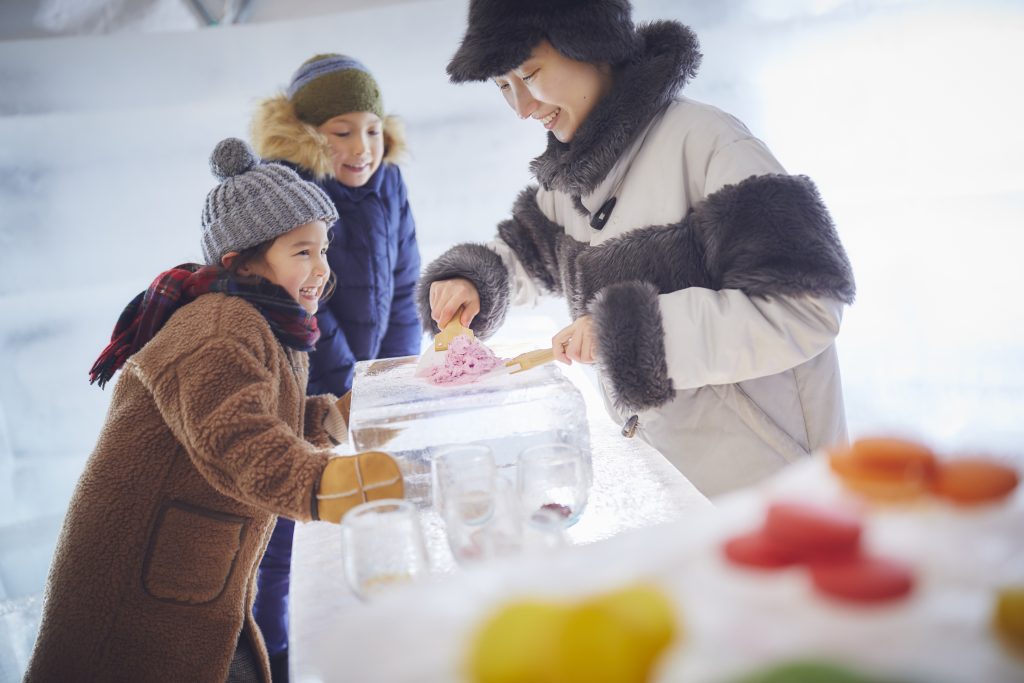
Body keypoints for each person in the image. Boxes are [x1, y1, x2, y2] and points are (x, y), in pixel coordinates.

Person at [421, 0, 857, 497]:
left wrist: (629, 333)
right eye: (503, 86)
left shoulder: (711, 142)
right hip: (679, 490)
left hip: (778, 489)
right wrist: (472, 282)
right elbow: (521, 255)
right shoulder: (571, 179)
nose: (520, 108)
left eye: (529, 73)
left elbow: (807, 308)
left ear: (591, 46)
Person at [25, 138, 404, 683]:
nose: (322, 268)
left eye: (323, 249)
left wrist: (330, 419)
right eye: (302, 252)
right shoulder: (221, 326)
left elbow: (254, 413)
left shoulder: (267, 325)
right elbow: (236, 438)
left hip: (192, 583)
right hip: (137, 601)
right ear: (241, 263)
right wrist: (325, 485)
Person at [248, 53, 421, 681]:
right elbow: (303, 306)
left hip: (360, 389)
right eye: (341, 131)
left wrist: (396, 374)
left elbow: (404, 285)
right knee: (285, 531)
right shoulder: (287, 195)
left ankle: (358, 640)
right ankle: (272, 654)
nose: (362, 147)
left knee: (363, 512)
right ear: (305, 135)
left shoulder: (389, 184)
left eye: (371, 129)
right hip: (299, 389)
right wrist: (357, 384)